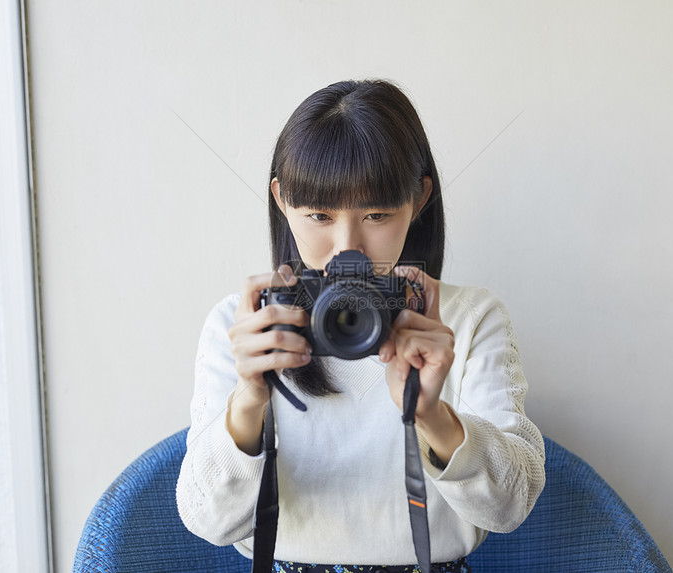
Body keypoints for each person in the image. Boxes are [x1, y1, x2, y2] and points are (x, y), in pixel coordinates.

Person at [176, 79, 546, 572]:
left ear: (419, 200)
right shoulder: (246, 323)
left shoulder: (467, 320)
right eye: (319, 215)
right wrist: (248, 402)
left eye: (376, 214)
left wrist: (431, 413)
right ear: (283, 202)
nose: (347, 246)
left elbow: (510, 507)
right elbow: (207, 520)